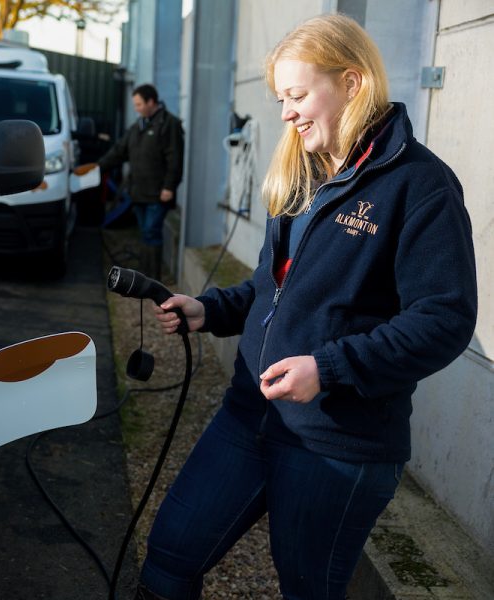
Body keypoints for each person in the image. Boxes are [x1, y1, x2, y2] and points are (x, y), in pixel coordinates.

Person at [137, 14, 477, 600]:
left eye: (296, 95)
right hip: (249, 417)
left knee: (308, 590)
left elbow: (444, 319)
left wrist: (329, 369)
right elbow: (278, 291)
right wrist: (210, 310)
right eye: (279, 99)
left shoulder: (421, 185)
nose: (286, 112)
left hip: (339, 445)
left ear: (351, 82)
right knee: (167, 559)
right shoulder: (300, 173)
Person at [75, 84, 184, 280]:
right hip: (139, 192)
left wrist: (169, 186)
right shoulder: (137, 127)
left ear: (152, 102)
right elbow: (118, 152)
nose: (136, 108)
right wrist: (97, 167)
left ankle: (152, 279)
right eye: (135, 104)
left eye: (139, 104)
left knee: (151, 232)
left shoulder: (169, 124)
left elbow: (175, 158)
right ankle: (145, 276)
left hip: (158, 193)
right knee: (144, 233)